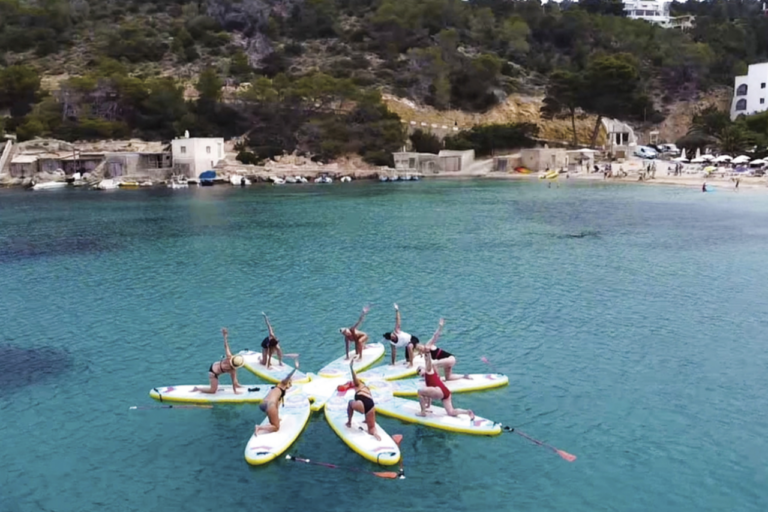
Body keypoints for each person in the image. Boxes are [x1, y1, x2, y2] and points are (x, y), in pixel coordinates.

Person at [416, 351, 474, 419]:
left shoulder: (429, 371)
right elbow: (429, 395)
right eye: (418, 373)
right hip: (446, 392)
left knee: (419, 391)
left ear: (424, 368)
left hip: (439, 390)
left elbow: (428, 362)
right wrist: (428, 406)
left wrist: (427, 354)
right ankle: (467, 412)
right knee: (451, 412)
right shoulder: (427, 378)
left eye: (419, 370)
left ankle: (423, 413)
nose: (419, 373)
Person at [192, 328, 244, 394]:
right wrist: (235, 392)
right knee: (213, 391)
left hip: (217, 367)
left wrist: (225, 336)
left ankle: (237, 384)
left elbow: (226, 346)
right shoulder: (230, 361)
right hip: (213, 372)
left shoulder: (231, 364)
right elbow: (226, 346)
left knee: (234, 373)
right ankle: (198, 389)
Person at [255, 360, 299, 435]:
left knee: (274, 416)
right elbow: (288, 376)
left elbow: (277, 405)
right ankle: (259, 427)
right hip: (270, 405)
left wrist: (276, 418)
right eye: (290, 384)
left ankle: (273, 420)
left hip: (263, 403)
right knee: (276, 428)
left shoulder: (278, 388)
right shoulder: (283, 384)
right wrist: (295, 368)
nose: (290, 386)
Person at [345, 360, 381, 440]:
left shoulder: (358, 384)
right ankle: (375, 433)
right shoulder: (366, 388)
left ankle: (349, 422)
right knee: (371, 428)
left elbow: (354, 377)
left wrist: (351, 367)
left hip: (362, 402)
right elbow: (368, 400)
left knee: (350, 403)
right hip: (371, 404)